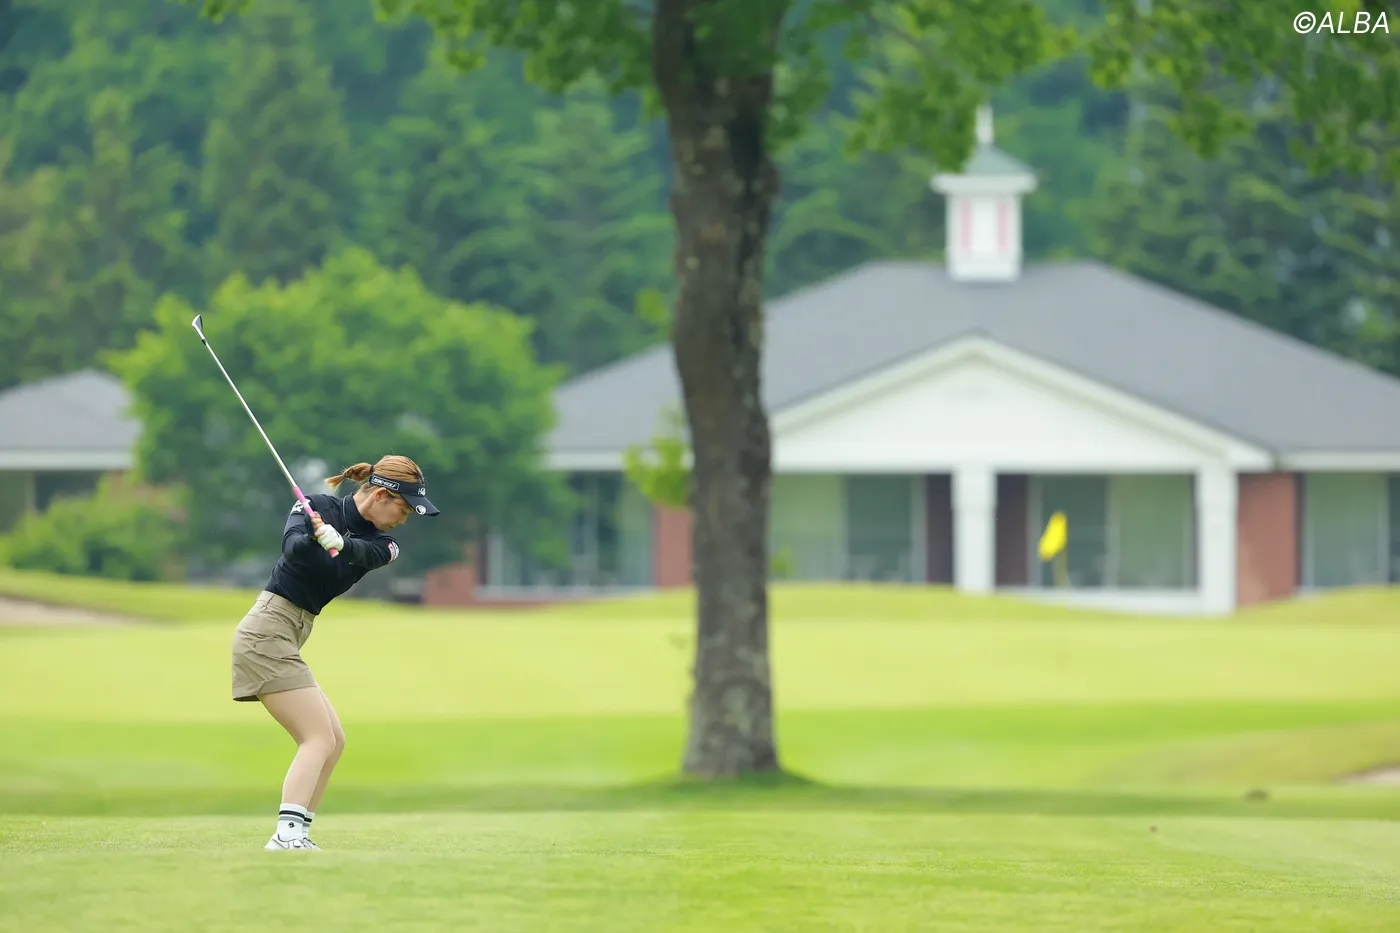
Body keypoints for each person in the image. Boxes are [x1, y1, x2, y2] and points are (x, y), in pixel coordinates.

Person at [229, 454, 440, 851]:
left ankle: (299, 834)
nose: (404, 519)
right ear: (381, 496)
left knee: (334, 740)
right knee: (318, 738)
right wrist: (313, 535)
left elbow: (365, 554)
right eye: (404, 509)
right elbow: (292, 549)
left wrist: (341, 543)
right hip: (267, 630)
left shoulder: (384, 543)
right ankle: (285, 835)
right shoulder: (317, 507)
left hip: (289, 632)